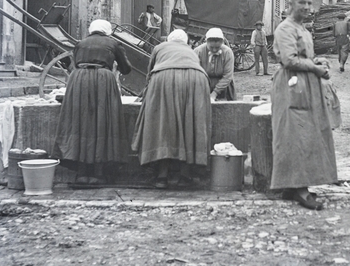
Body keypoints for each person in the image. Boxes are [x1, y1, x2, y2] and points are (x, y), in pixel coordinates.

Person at [270, 0, 338, 210]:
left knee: (308, 133)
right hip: (292, 84)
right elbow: (290, 60)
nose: (308, 8)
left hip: (306, 83)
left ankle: (294, 184)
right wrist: (316, 70)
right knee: (295, 134)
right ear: (291, 5)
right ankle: (299, 188)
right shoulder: (285, 29)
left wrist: (318, 61)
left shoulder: (303, 29)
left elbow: (305, 57)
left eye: (310, 4)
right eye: (302, 3)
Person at [54, 19, 132, 187]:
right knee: (102, 122)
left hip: (79, 80)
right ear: (107, 30)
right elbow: (126, 69)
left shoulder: (80, 43)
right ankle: (99, 173)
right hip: (103, 81)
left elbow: (72, 65)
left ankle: (82, 173)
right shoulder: (114, 43)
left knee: (80, 122)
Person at [132, 29, 211, 189]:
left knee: (163, 127)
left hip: (164, 77)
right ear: (185, 41)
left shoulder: (160, 47)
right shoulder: (191, 50)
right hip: (196, 79)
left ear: (169, 40)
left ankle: (162, 176)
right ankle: (185, 175)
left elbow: (150, 72)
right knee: (189, 124)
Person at [194, 28, 237, 101]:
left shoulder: (227, 52)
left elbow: (227, 76)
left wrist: (214, 93)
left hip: (224, 87)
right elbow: (195, 74)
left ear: (222, 42)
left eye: (217, 47)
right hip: (203, 85)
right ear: (206, 42)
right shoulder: (198, 52)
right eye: (211, 47)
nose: (214, 50)